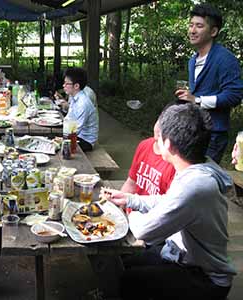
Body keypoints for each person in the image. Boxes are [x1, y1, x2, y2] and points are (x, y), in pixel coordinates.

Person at [100, 103, 236, 300]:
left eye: (159, 138)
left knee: (129, 279)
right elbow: (168, 200)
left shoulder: (194, 185)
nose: (155, 142)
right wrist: (131, 199)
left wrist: (129, 213)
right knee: (126, 263)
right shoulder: (198, 167)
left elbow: (143, 230)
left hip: (205, 277)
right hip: (182, 256)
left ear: (169, 144)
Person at [175, 3, 243, 163]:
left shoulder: (225, 59)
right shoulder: (193, 60)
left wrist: (197, 100)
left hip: (214, 134)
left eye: (199, 26)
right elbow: (196, 91)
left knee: (202, 180)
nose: (192, 30)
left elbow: (234, 95)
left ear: (213, 31)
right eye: (191, 25)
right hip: (193, 130)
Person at [121, 120, 175, 195]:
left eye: (166, 125)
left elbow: (169, 203)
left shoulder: (174, 161)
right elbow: (131, 183)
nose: (160, 128)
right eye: (160, 121)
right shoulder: (145, 145)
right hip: (131, 203)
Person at [62, 67, 99, 151]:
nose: (63, 86)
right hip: (77, 135)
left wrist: (60, 139)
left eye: (67, 83)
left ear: (76, 86)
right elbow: (69, 118)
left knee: (59, 148)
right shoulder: (74, 97)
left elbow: (75, 130)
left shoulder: (83, 103)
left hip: (85, 141)